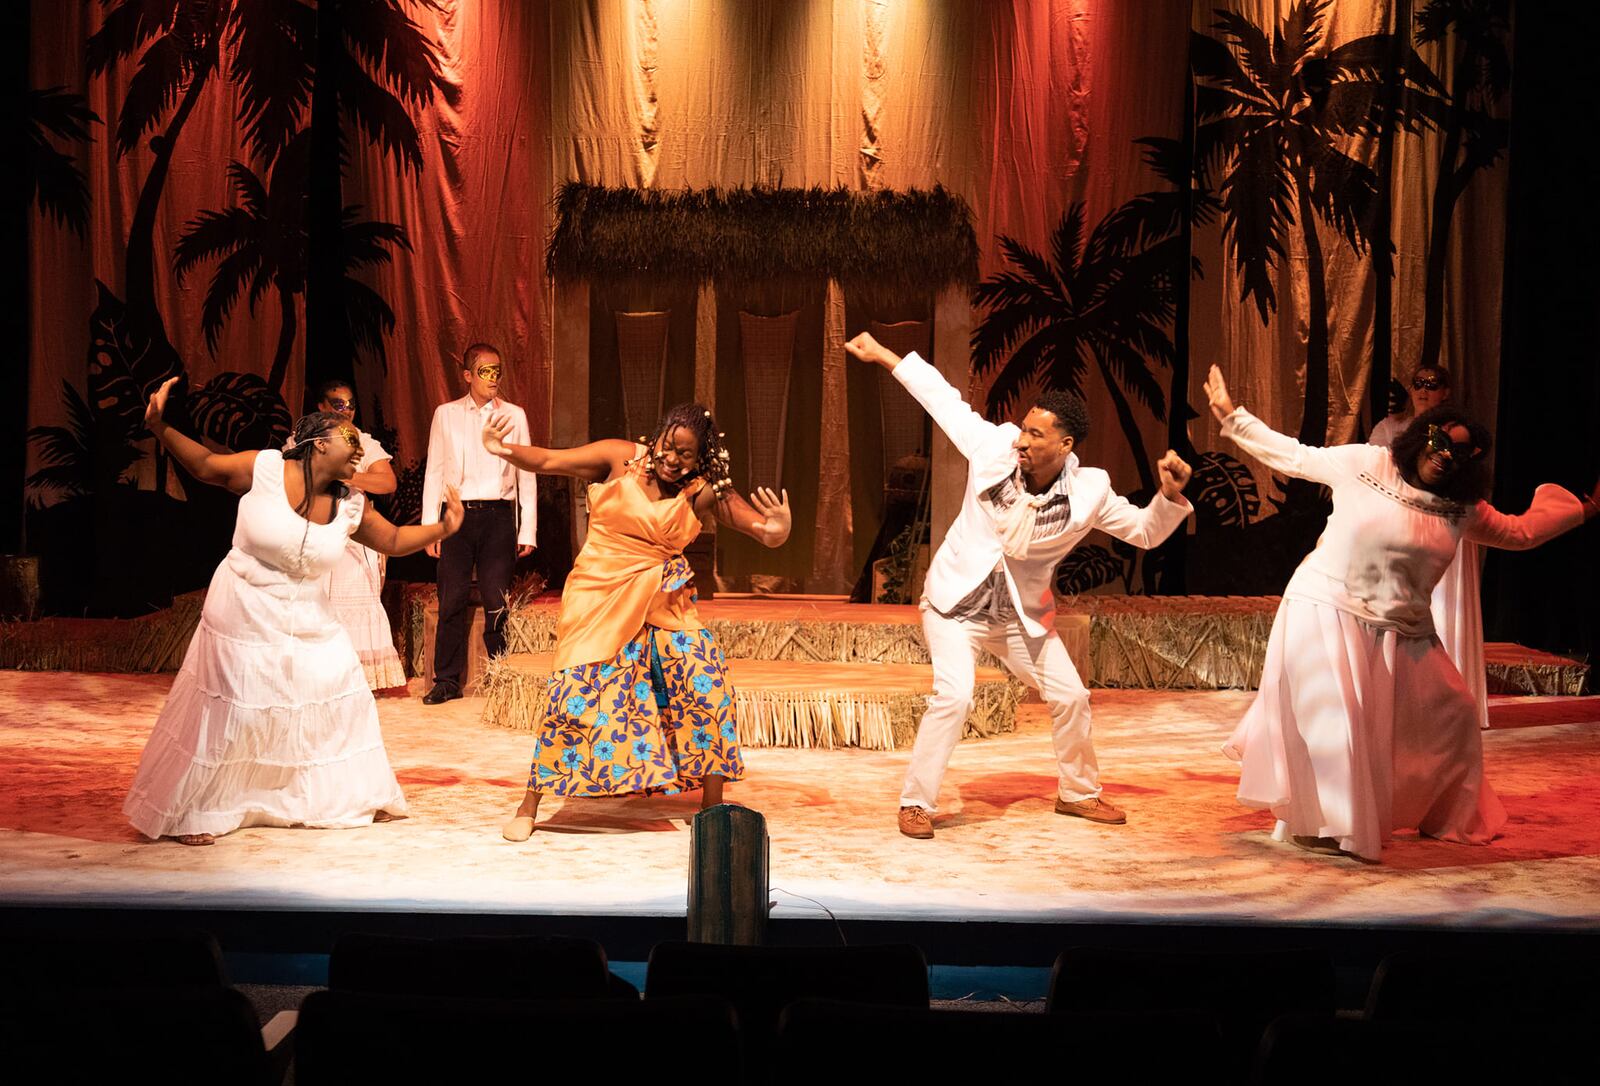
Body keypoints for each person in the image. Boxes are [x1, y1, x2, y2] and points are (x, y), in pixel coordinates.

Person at [1205, 365, 1597, 862]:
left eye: (1458, 453)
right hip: (1326, 607)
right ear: (1419, 437)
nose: (1443, 456)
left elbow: (1518, 533)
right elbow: (1297, 457)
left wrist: (1583, 509)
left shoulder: (1459, 507)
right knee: (1337, 722)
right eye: (1438, 441)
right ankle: (1330, 824)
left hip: (1404, 630)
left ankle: (1443, 813)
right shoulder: (1369, 464)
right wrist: (1233, 417)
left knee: (1451, 715)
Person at [843, 332, 1195, 840]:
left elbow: (1143, 530)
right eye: (1024, 430)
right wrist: (883, 355)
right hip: (954, 606)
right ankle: (916, 801)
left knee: (1072, 696)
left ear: (1065, 445)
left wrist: (1167, 495)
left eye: (1035, 434)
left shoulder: (1089, 491)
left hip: (1018, 617)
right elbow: (941, 397)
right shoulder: (993, 449)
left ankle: (1078, 793)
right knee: (956, 696)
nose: (1022, 441)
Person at [124, 377, 465, 845]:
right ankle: (197, 808)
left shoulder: (349, 506)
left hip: (306, 610)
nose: (358, 450)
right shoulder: (264, 469)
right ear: (318, 443)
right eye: (348, 442)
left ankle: (347, 795)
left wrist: (441, 529)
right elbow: (205, 465)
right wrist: (160, 426)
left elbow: (391, 540)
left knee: (341, 689)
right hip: (241, 604)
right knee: (235, 708)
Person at [483, 403, 792, 841]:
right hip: (599, 593)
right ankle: (530, 803)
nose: (673, 459)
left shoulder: (701, 490)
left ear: (700, 457)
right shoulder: (617, 457)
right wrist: (503, 449)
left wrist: (776, 529)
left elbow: (760, 529)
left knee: (706, 684)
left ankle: (712, 806)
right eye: (670, 446)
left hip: (663, 598)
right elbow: (551, 459)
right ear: (659, 434)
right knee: (574, 695)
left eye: (686, 455)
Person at [1369, 366, 1489, 729]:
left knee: (1446, 604)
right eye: (1417, 383)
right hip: (1404, 527)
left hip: (1446, 522)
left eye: (1431, 384)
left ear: (1445, 392)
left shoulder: (1459, 433)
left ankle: (1451, 702)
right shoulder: (1390, 428)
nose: (1423, 390)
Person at [420, 343, 536, 704]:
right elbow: (435, 470)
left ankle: (502, 678)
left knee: (495, 599)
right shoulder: (447, 414)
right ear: (469, 375)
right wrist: (430, 526)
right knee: (451, 596)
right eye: (485, 371)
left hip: (499, 516)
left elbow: (526, 473)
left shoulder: (514, 415)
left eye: (497, 371)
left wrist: (526, 528)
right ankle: (447, 680)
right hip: (457, 515)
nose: (493, 378)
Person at [315, 379, 406, 692]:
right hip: (318, 531)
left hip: (356, 533)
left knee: (358, 601)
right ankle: (322, 676)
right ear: (322, 407)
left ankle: (360, 679)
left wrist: (346, 475)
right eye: (338, 404)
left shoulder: (363, 442)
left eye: (351, 404)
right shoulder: (304, 441)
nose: (347, 410)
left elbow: (387, 482)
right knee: (319, 603)